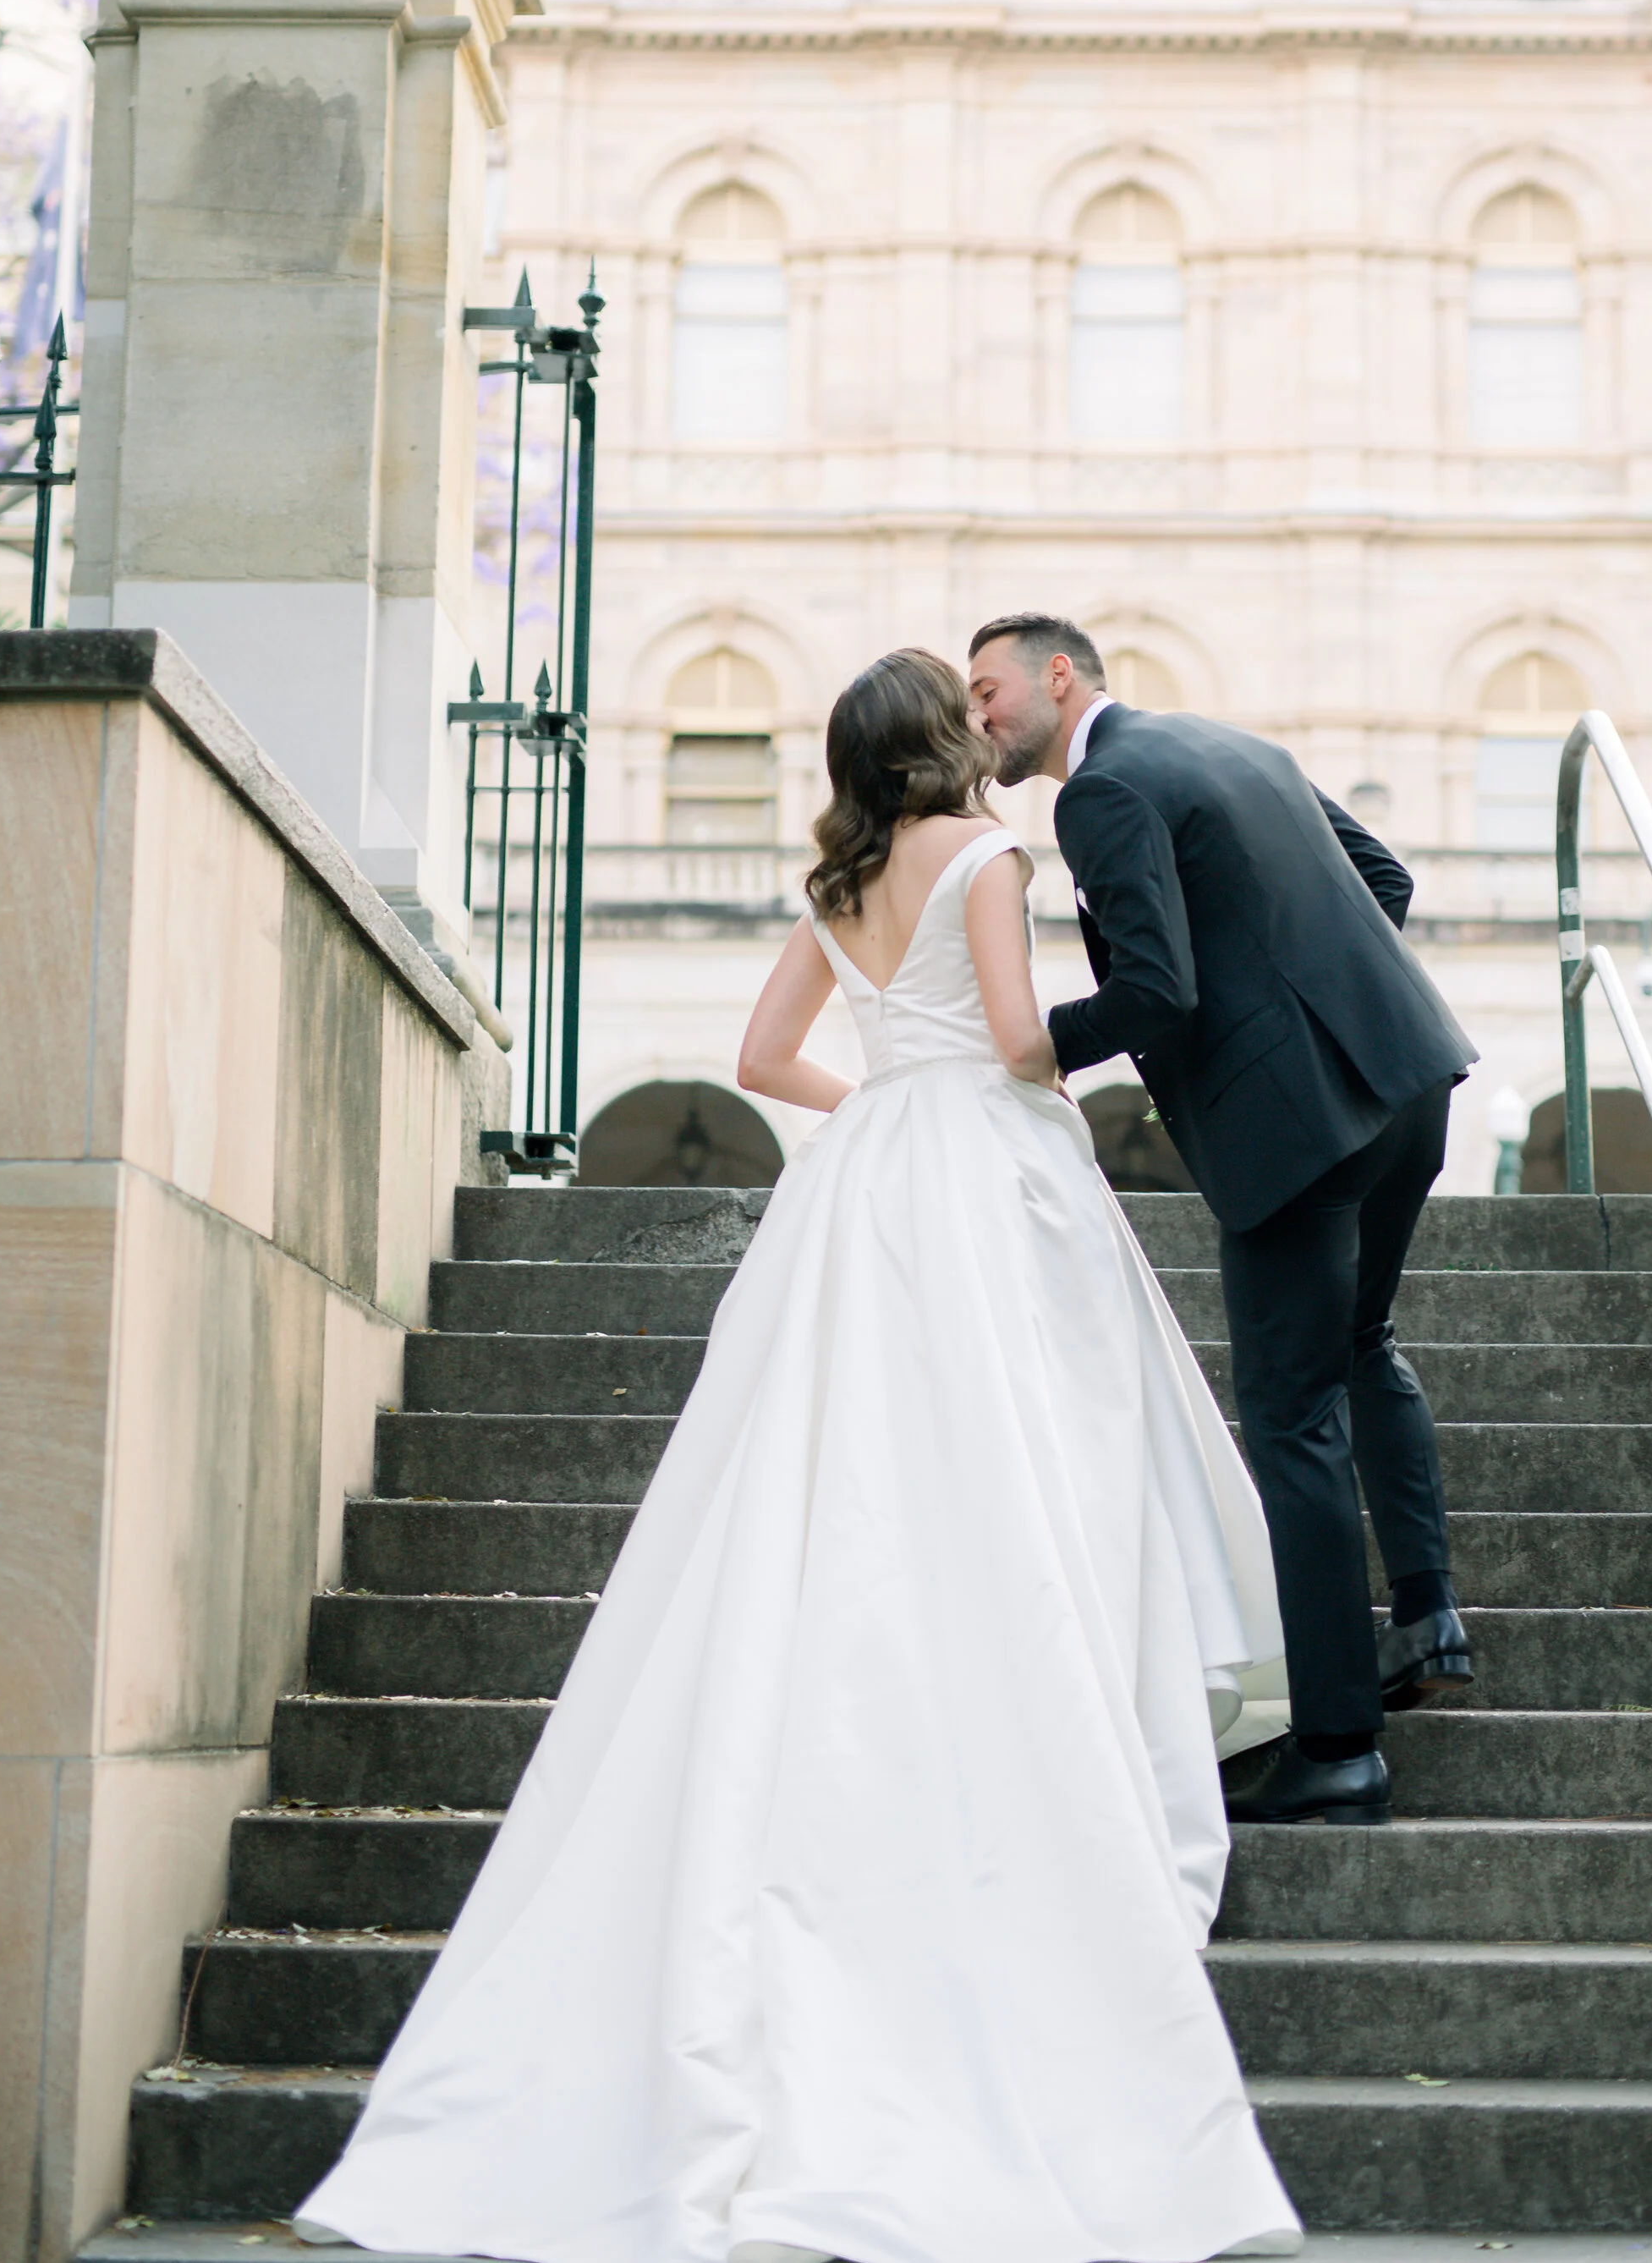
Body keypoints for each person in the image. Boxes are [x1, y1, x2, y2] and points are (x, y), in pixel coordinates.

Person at [296, 647, 1300, 2263]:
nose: (989, 725)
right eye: (965, 713)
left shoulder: (835, 881)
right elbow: (1029, 1047)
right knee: (1033, 1453)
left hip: (872, 1174)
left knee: (827, 1477)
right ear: (941, 744)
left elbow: (767, 1063)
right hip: (986, 1168)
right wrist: (993, 1063)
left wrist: (888, 1094)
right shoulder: (990, 854)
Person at [968, 615, 1479, 1830]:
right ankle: (1427, 1615)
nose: (978, 714)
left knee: (1291, 1415)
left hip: (1298, 1134)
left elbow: (1157, 989)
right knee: (1364, 1346)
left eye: (988, 688)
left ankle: (1341, 1743)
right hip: (1407, 1077)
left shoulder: (1099, 795)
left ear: (1058, 674)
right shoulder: (1231, 744)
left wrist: (1039, 1048)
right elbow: (1386, 883)